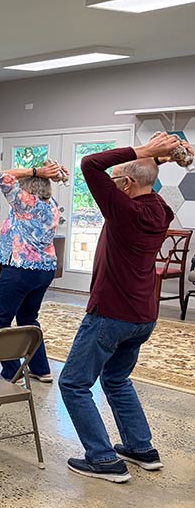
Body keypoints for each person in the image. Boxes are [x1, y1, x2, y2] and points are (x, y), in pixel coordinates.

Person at [58, 132, 186, 483]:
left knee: (73, 383)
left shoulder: (123, 209)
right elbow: (139, 177)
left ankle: (102, 459)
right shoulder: (160, 209)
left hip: (110, 313)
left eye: (117, 180)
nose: (111, 184)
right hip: (143, 316)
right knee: (116, 379)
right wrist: (159, 159)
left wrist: (146, 151)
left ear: (127, 183)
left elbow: (89, 164)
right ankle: (140, 448)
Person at [0, 161, 67, 383]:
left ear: (25, 186)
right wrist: (51, 173)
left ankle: (12, 370)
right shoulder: (51, 205)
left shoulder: (24, 203)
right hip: (44, 270)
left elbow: (4, 175)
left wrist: (36, 171)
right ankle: (41, 369)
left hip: (20, 269)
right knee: (28, 318)